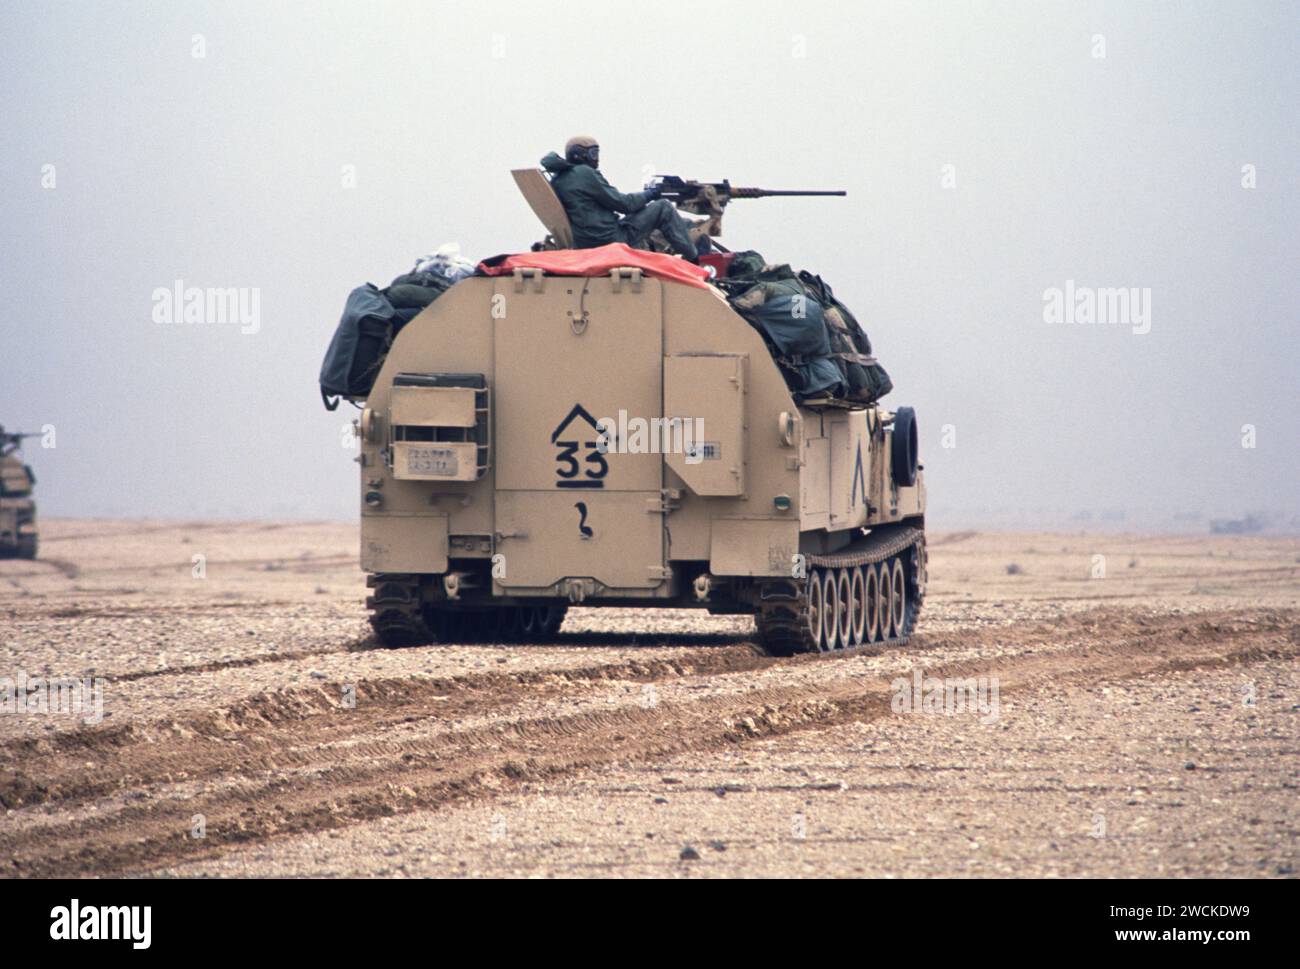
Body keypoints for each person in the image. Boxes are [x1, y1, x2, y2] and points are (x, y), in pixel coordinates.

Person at [540, 136, 703, 262]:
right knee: (663, 208)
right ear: (578, 155)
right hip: (609, 239)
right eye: (592, 153)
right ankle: (693, 260)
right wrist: (653, 193)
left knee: (654, 216)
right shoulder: (584, 173)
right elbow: (624, 204)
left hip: (585, 239)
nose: (596, 158)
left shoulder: (560, 178)